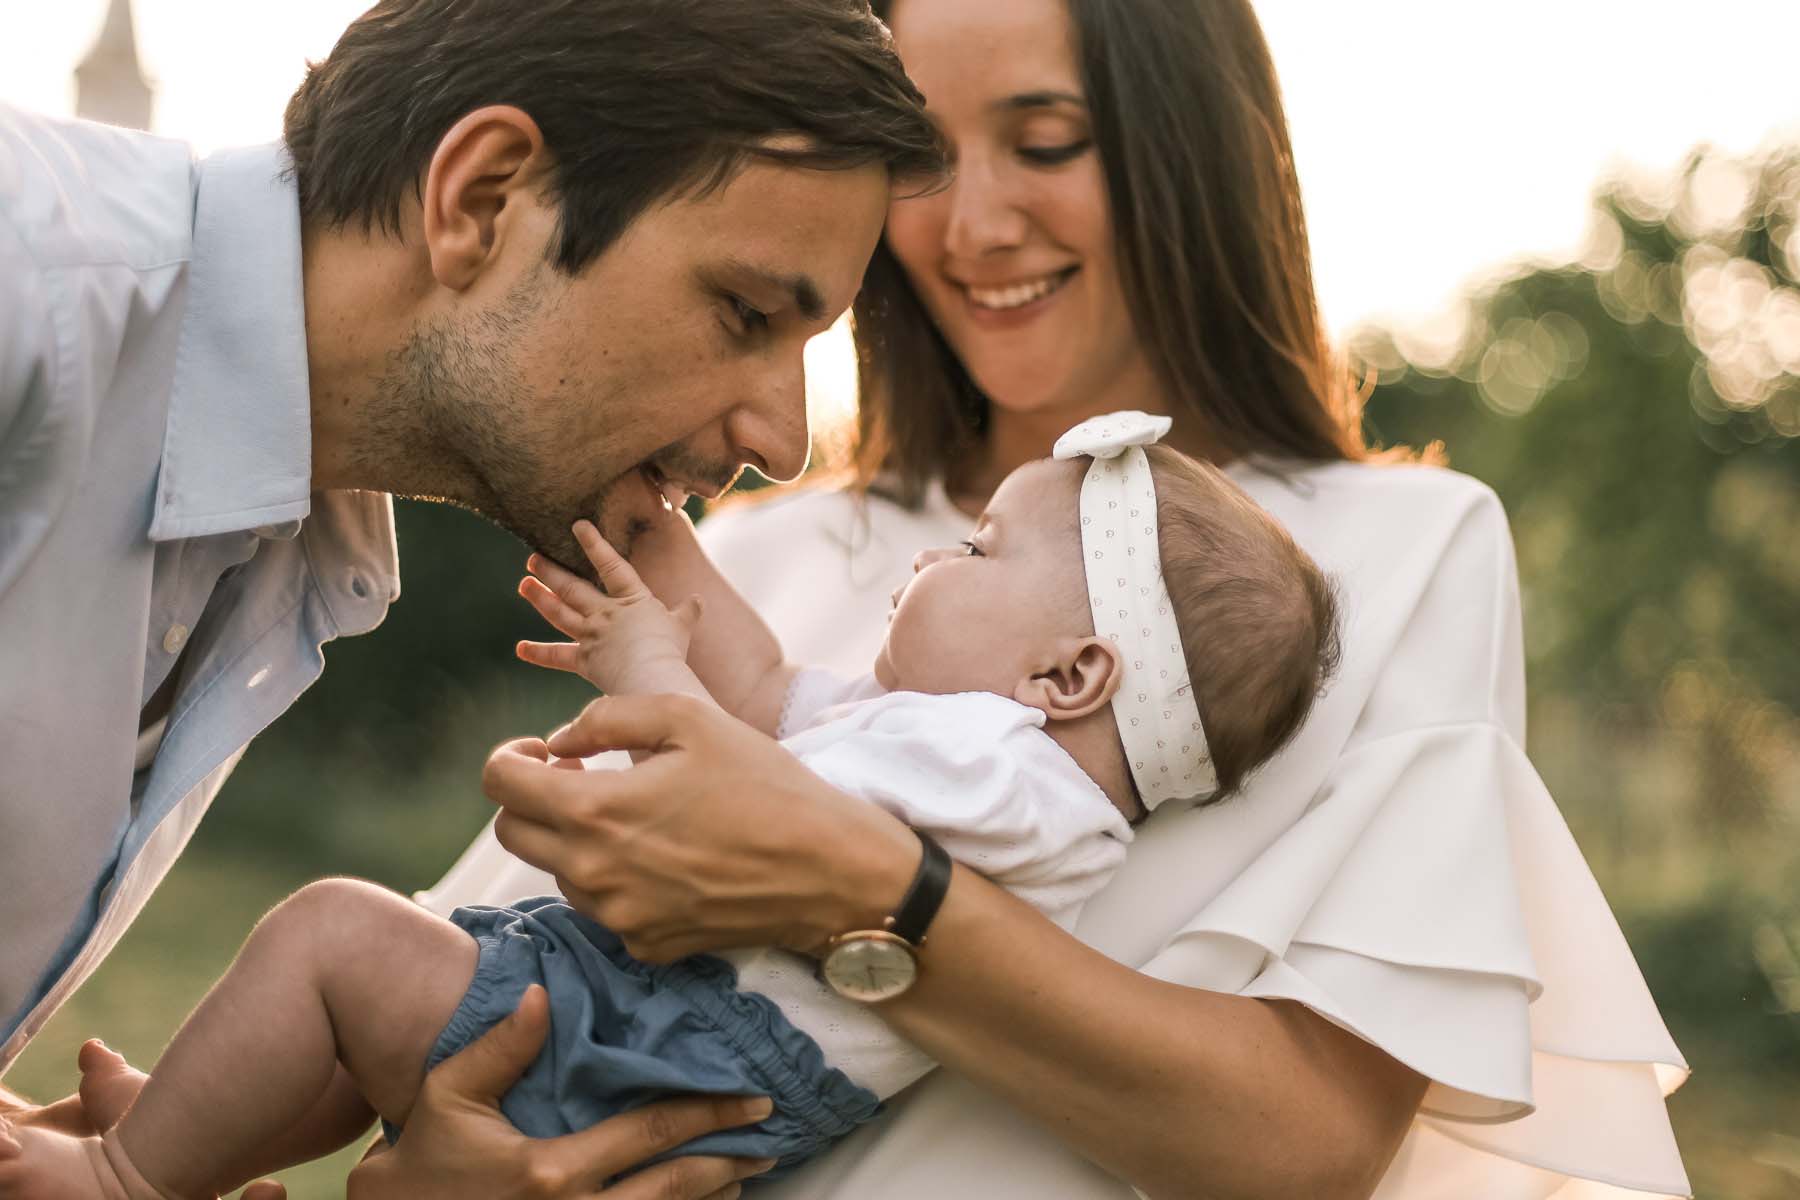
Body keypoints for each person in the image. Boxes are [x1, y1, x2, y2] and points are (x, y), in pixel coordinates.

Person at [435, 0, 1694, 1196]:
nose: (972, 223)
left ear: (1188, 149)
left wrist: (864, 890)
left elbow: (1305, 1152)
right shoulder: (753, 557)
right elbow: (485, 964)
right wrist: (440, 1163)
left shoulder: (1397, 552)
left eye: (1046, 143)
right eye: (923, 156)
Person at [0, 0, 943, 1195]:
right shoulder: (27, 291)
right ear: (483, 200)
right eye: (747, 314)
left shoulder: (287, 537)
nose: (785, 437)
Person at [0, 411, 1343, 1199]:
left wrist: (647, 673)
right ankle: (180, 1131)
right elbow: (757, 683)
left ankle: (123, 1183)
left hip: (659, 1040)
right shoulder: (954, 747)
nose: (938, 552)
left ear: (1070, 673)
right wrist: (647, 535)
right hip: (656, 1034)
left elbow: (749, 812)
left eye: (982, 551)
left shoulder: (1007, 773)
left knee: (332, 940)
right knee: (358, 1031)